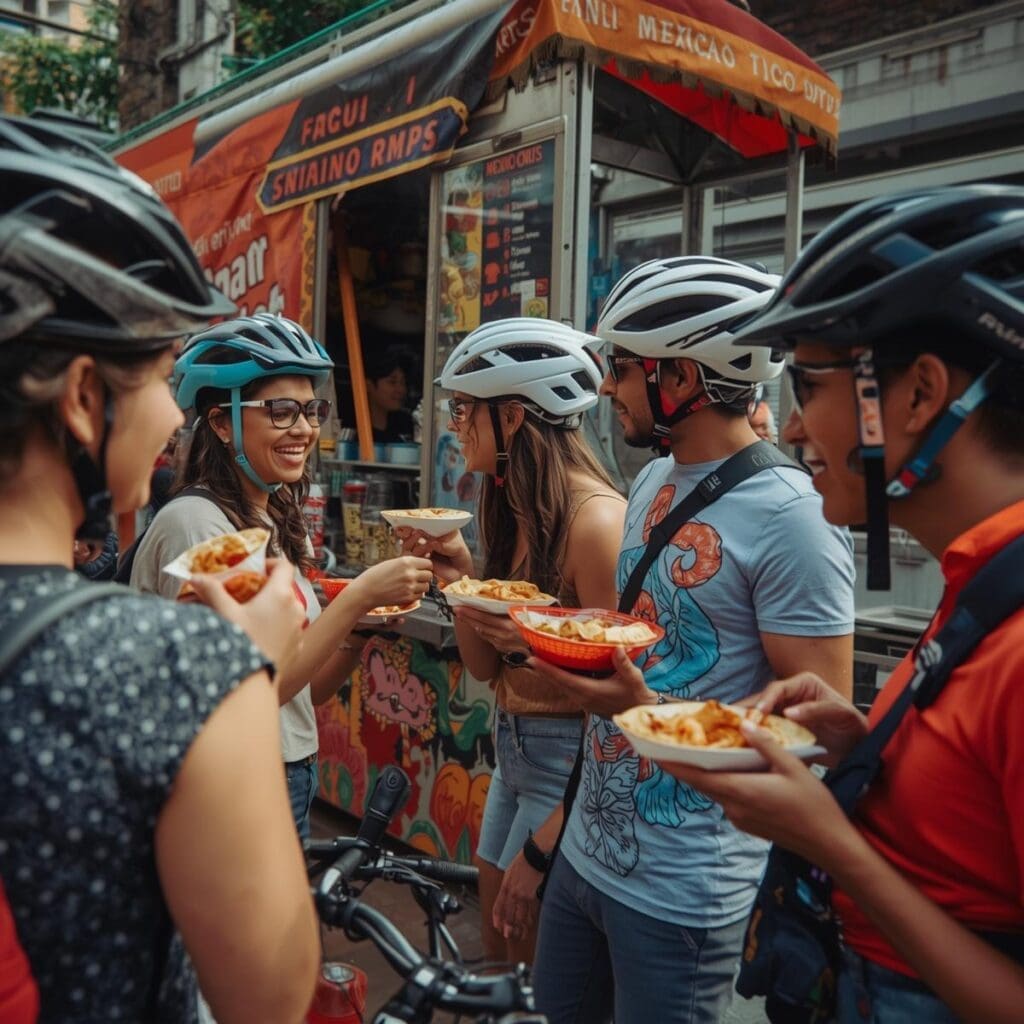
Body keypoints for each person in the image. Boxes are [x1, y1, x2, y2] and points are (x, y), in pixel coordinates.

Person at [659, 186, 1024, 1022]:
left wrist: (834, 844)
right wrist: (866, 752)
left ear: (919, 394)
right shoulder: (984, 583)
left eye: (809, 383)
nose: (788, 429)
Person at [0, 115, 318, 1021]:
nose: (176, 421)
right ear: (85, 397)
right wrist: (246, 674)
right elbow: (273, 994)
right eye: (160, 380)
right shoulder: (170, 670)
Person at [516, 257, 857, 1024]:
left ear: (684, 378)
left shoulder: (793, 517)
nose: (607, 387)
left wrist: (646, 706)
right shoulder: (650, 480)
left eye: (624, 368)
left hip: (684, 891)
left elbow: (811, 735)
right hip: (586, 854)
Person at [131, 314, 433, 838]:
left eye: (312, 409)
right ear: (221, 423)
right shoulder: (199, 524)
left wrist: (357, 632)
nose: (305, 428)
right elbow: (259, 689)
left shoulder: (269, 513)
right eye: (281, 410)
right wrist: (358, 596)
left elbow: (306, 691)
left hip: (289, 768)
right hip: (235, 781)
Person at [398, 318, 625, 964]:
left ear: (515, 418)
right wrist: (461, 581)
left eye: (465, 408)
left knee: (534, 964)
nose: (454, 423)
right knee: (498, 944)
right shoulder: (509, 507)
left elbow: (620, 707)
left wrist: (546, 841)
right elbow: (483, 669)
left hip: (570, 761)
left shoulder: (595, 522)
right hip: (513, 747)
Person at [365, 344, 415, 442]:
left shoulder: (407, 426)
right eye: (392, 382)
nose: (401, 389)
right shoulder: (351, 431)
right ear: (369, 385)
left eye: (403, 382)